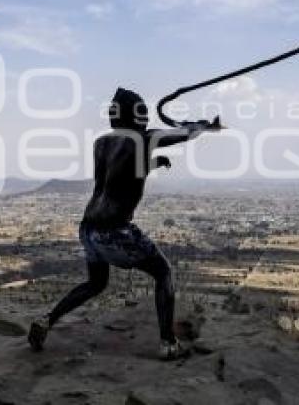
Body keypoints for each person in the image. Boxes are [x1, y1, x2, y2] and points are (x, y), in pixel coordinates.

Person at [28, 87, 221, 359]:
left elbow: (114, 176)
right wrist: (204, 125)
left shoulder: (101, 143)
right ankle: (168, 344)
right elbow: (185, 134)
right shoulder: (144, 138)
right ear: (136, 116)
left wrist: (152, 163)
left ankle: (47, 319)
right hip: (114, 231)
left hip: (88, 228)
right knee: (164, 273)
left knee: (96, 283)